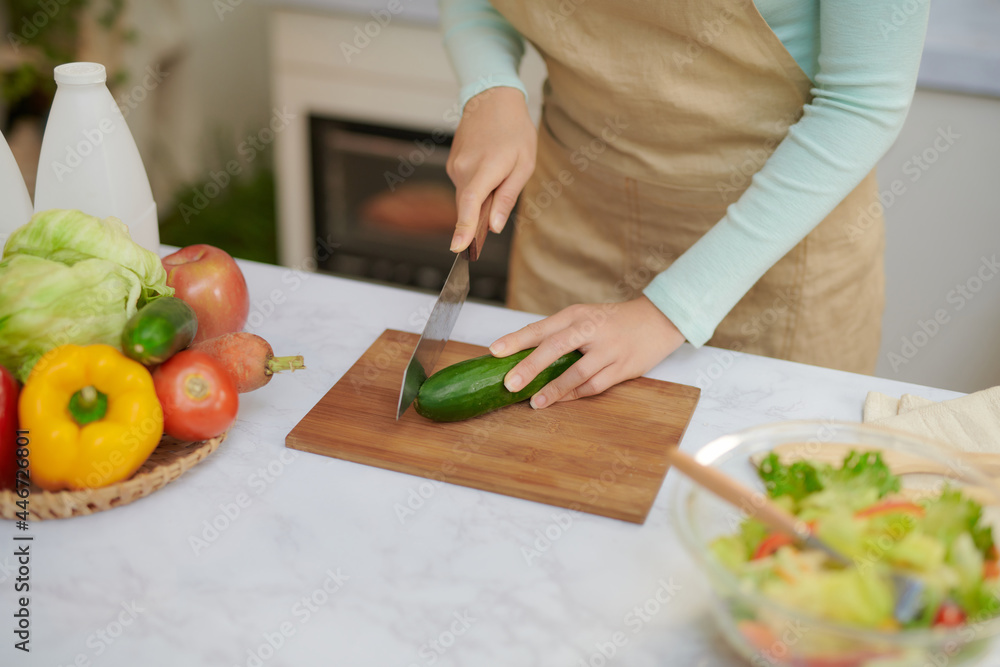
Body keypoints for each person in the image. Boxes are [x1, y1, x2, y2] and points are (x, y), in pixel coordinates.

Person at [439, 0, 930, 409]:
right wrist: (488, 87)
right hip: (575, 212)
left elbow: (864, 100)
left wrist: (668, 312)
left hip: (772, 256)